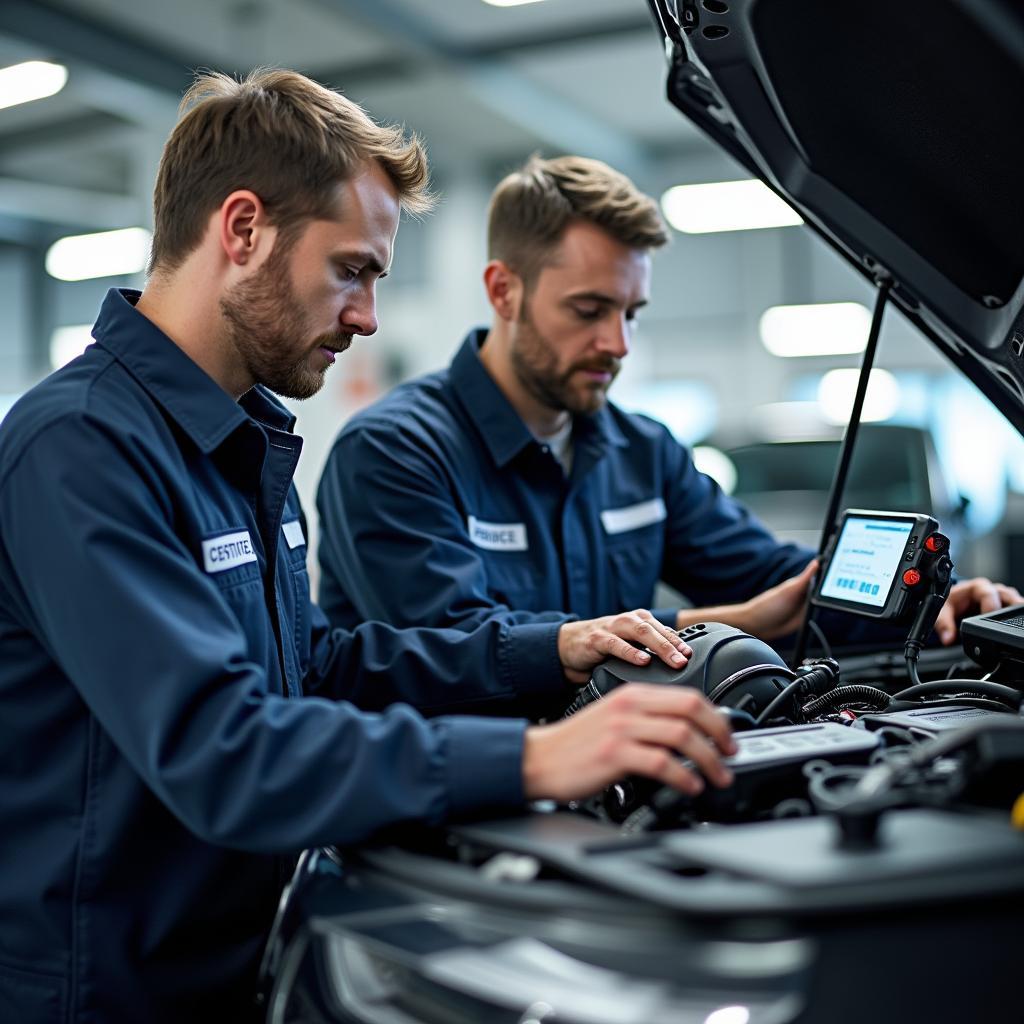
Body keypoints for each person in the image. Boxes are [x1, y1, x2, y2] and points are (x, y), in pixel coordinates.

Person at [0, 73, 739, 1024]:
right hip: (106, 997)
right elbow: (225, 750)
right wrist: (534, 759)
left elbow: (313, 664)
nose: (368, 317)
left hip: (242, 964)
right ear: (242, 230)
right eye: (352, 270)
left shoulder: (238, 442)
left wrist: (547, 646)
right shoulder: (83, 446)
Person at [316, 153, 1020, 650]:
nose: (617, 344)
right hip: (448, 814)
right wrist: (721, 626)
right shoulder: (394, 451)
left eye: (632, 312)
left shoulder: (640, 451)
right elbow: (466, 647)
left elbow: (774, 579)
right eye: (589, 310)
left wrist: (923, 609)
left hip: (618, 784)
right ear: (504, 290)